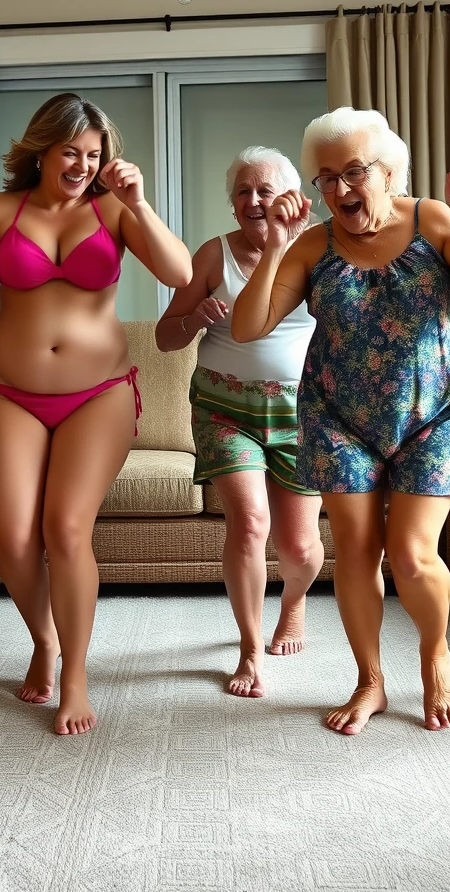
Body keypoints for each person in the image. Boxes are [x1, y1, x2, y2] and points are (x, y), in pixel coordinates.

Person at [231, 107, 450, 734]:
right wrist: (277, 247)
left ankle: (435, 651)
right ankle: (370, 681)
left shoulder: (433, 220)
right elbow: (247, 326)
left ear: (389, 173)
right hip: (339, 415)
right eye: (325, 177)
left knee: (412, 556)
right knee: (356, 556)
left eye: (353, 172)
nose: (338, 189)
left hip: (436, 410)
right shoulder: (312, 243)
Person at [0, 93, 192, 735]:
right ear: (42, 150)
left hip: (97, 392)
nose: (82, 164)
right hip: (8, 393)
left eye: (94, 154)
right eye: (70, 152)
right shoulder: (1, 211)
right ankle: (43, 639)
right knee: (14, 537)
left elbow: (182, 273)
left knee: (66, 528)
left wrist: (138, 204)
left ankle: (74, 675)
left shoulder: (113, 209)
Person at [156, 146, 324, 698]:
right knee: (250, 524)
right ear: (232, 205)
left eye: (266, 190)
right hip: (223, 406)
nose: (254, 201)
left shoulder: (323, 248)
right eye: (243, 192)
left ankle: (293, 603)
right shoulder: (214, 255)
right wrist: (194, 316)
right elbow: (165, 336)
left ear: (294, 199)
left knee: (299, 550)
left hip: (303, 410)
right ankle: (250, 650)